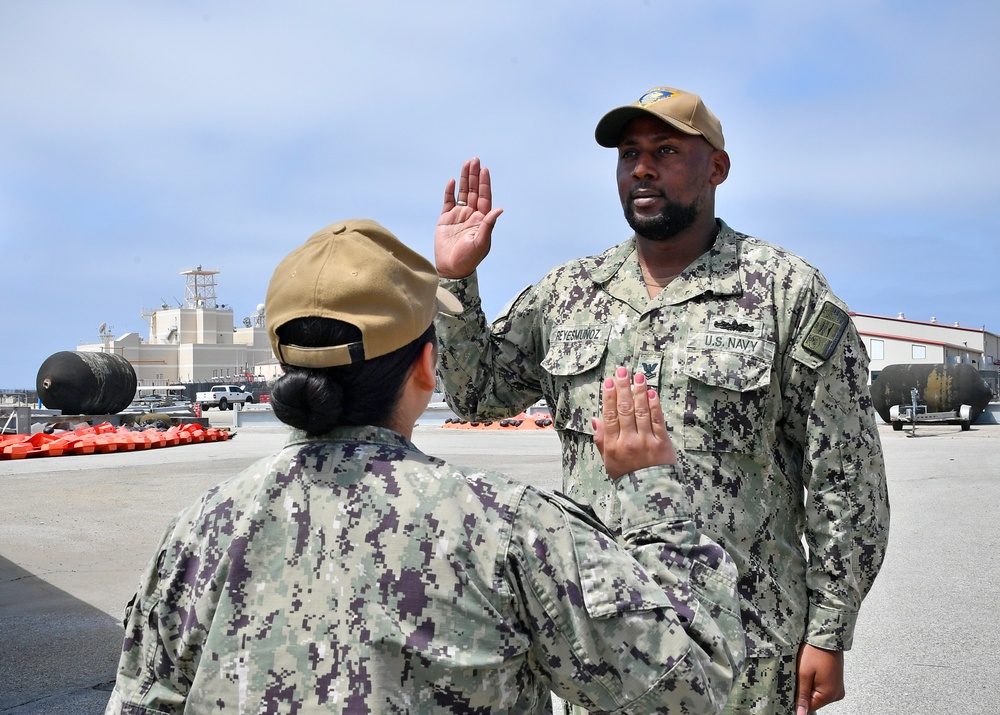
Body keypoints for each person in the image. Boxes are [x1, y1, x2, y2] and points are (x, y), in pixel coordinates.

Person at [103, 218, 745, 714]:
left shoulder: (200, 530)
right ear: (425, 366)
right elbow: (689, 688)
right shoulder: (507, 528)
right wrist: (649, 491)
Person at [433, 87, 890, 715]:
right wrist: (456, 281)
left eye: (666, 150)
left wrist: (830, 630)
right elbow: (476, 394)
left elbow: (845, 474)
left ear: (717, 169)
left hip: (744, 646)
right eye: (629, 154)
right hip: (602, 639)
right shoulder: (568, 293)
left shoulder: (787, 293)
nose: (642, 167)